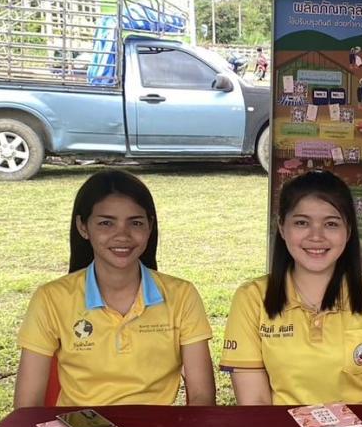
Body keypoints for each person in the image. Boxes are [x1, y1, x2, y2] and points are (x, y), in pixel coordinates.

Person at [13, 169, 215, 407]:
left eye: (135, 223)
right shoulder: (51, 298)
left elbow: (202, 397)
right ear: (83, 227)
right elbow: (27, 406)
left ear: (150, 226)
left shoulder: (181, 295)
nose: (122, 235)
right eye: (106, 223)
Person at [221, 170, 362, 406]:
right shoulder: (252, 298)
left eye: (331, 224)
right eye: (302, 223)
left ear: (348, 230)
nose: (316, 236)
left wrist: (332, 426)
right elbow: (254, 401)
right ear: (281, 227)